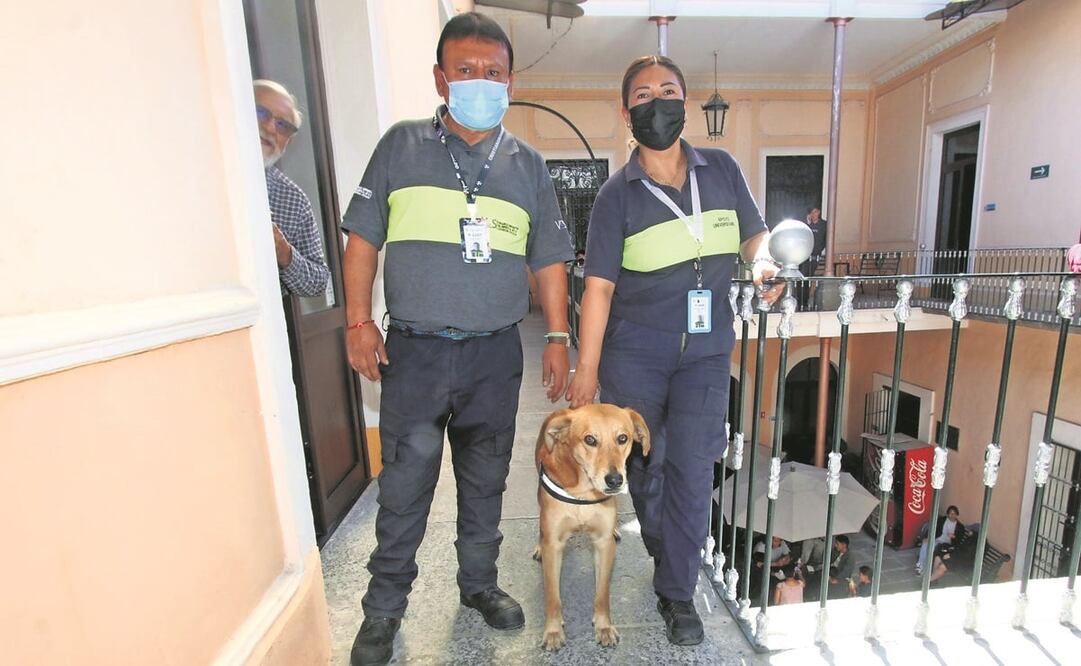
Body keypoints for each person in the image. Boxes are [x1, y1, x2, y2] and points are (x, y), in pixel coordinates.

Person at [340, 13, 572, 666]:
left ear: (510, 80)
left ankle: (479, 587)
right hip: (413, 354)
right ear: (440, 78)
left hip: (495, 355)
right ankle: (382, 612)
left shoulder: (526, 164)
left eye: (492, 73)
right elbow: (362, 242)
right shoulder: (399, 146)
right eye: (465, 71)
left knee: (485, 480)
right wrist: (358, 321)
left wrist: (556, 334)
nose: (479, 82)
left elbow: (549, 258)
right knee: (403, 488)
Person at [565, 54, 782, 646]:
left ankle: (678, 592)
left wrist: (762, 261)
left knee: (690, 467)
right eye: (643, 94)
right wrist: (586, 371)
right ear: (627, 110)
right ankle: (669, 552)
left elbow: (751, 233)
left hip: (707, 351)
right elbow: (600, 287)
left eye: (668, 90)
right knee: (645, 469)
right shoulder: (617, 195)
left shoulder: (723, 169)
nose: (657, 102)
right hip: (634, 353)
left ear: (685, 102)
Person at [254, 80, 330, 297]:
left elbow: (318, 281)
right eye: (261, 113)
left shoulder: (292, 199)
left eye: (282, 126)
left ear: (289, 140)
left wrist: (285, 254)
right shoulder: (205, 178)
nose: (269, 127)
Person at [916, 505, 967, 576]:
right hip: (937, 539)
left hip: (946, 544)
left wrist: (954, 537)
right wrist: (928, 537)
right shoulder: (942, 520)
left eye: (954, 513)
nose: (952, 515)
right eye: (950, 513)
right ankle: (920, 565)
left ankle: (925, 568)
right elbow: (933, 528)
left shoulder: (960, 527)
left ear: (957, 514)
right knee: (925, 544)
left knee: (932, 546)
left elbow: (959, 540)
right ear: (947, 514)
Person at [827, 535, 855, 599]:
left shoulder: (850, 557)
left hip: (840, 578)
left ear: (844, 545)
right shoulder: (835, 550)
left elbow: (846, 572)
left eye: (837, 543)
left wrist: (836, 579)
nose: (835, 545)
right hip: (831, 572)